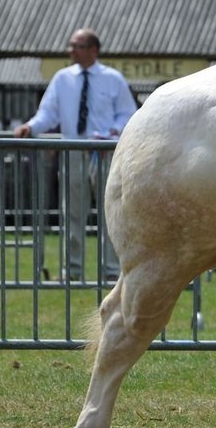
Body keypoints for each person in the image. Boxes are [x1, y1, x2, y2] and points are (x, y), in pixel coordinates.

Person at [15, 28, 137, 281]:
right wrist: (31, 126)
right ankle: (72, 271)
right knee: (72, 212)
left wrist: (112, 132)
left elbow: (128, 114)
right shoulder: (62, 79)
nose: (71, 51)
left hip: (104, 153)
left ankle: (112, 272)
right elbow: (48, 113)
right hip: (73, 151)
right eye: (71, 46)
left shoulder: (113, 79)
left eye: (78, 46)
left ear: (94, 50)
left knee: (110, 214)